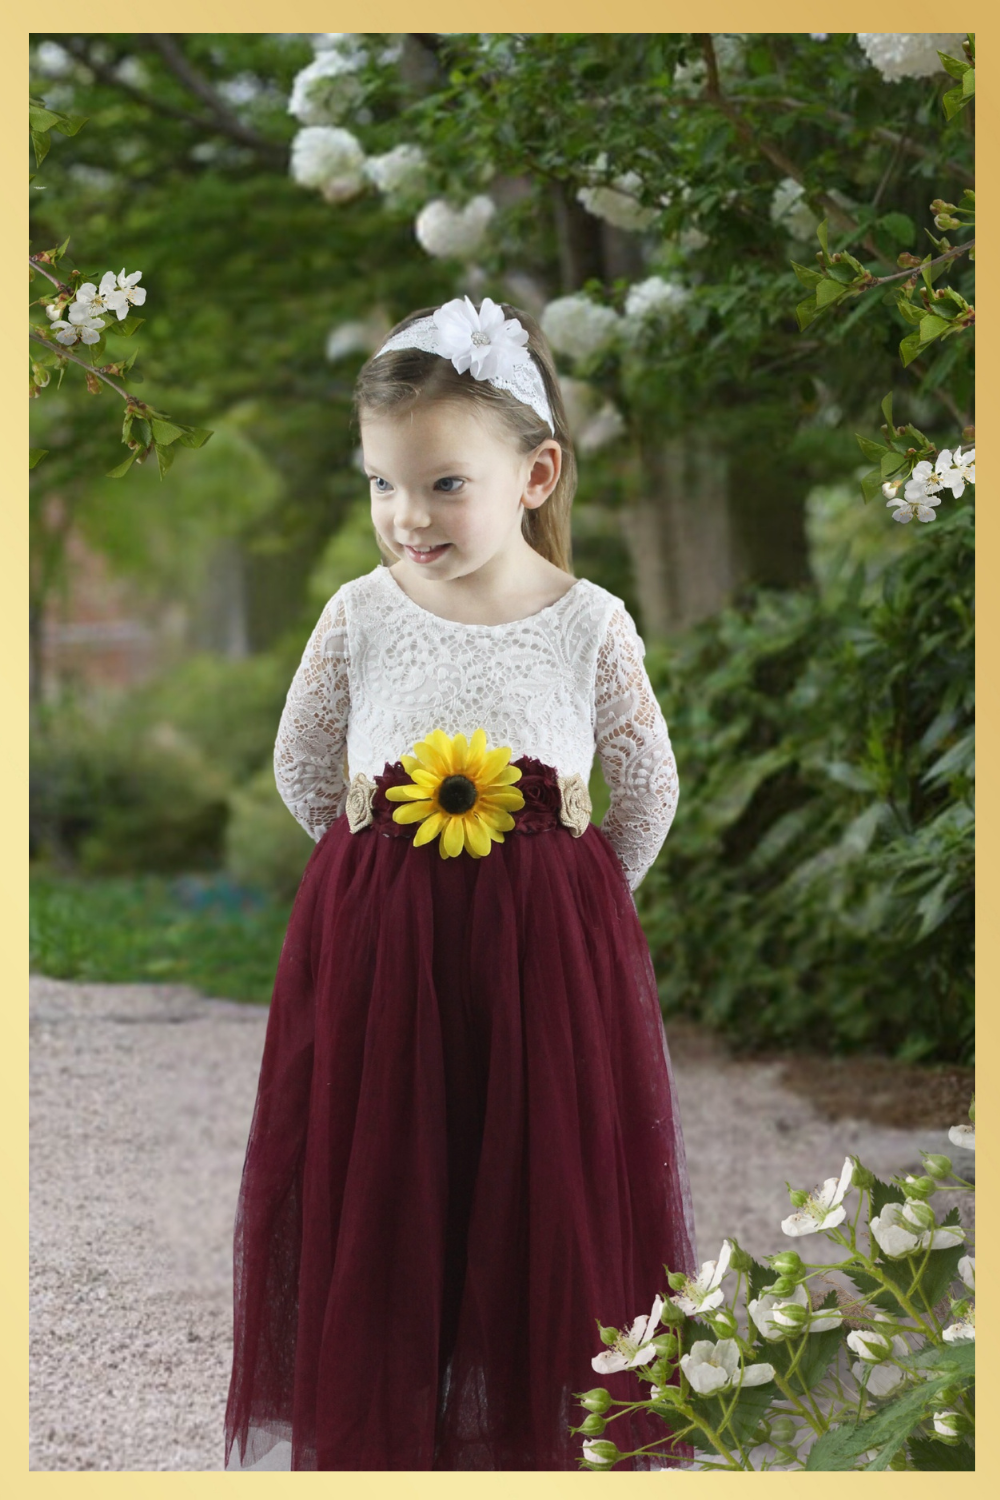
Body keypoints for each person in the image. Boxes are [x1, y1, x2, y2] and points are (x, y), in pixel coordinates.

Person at [223, 295, 697, 1473]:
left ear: (536, 475)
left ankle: (536, 1443)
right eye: (383, 485)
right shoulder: (362, 615)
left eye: (442, 485)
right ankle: (394, 1442)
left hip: (542, 968)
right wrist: (376, 879)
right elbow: (302, 762)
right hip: (386, 964)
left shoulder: (584, 622)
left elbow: (645, 791)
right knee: (393, 1190)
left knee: (538, 1193)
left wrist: (567, 904)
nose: (406, 516)